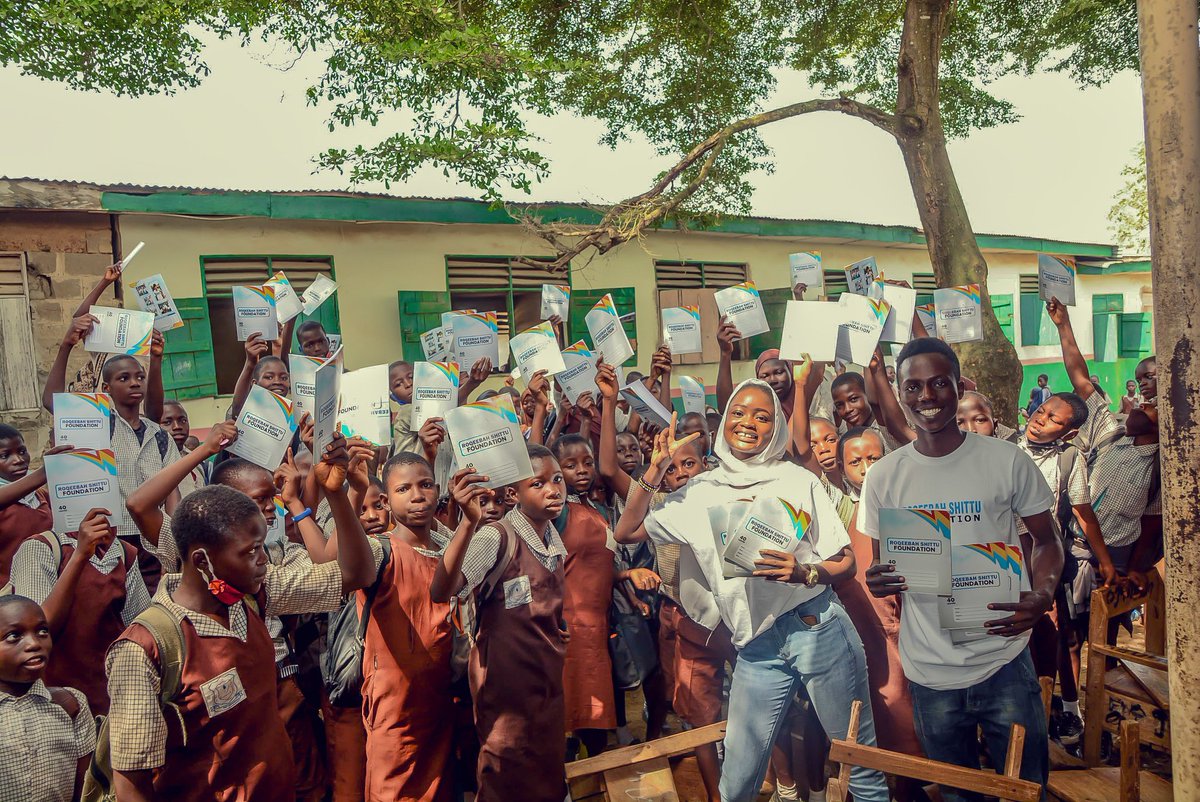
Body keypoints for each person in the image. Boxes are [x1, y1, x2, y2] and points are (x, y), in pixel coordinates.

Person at [615, 378, 889, 802]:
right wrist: (655, 468)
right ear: (724, 422)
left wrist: (804, 572)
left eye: (762, 416)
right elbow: (627, 529)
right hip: (756, 646)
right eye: (738, 413)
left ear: (775, 427)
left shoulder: (797, 481)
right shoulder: (697, 493)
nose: (748, 423)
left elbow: (846, 560)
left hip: (816, 629)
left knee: (859, 762)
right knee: (738, 778)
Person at [105, 441, 379, 802]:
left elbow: (356, 573)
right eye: (250, 552)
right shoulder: (145, 649)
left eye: (262, 546)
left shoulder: (254, 596)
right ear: (202, 561)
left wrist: (338, 495)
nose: (263, 559)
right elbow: (131, 784)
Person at [861, 338, 1062, 801]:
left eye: (938, 383)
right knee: (957, 795)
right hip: (930, 671)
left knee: (1025, 790)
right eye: (913, 386)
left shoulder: (1006, 460)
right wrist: (879, 579)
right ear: (899, 391)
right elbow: (883, 565)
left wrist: (1044, 591)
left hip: (1004, 658)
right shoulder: (884, 476)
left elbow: (1048, 542)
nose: (926, 396)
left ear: (958, 386)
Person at [431, 444, 570, 802]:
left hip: (546, 680)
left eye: (556, 479)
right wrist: (467, 521)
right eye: (538, 483)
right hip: (505, 682)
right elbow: (444, 590)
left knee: (546, 765)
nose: (554, 489)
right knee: (504, 767)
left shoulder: (552, 538)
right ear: (513, 494)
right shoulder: (497, 537)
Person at [362, 453, 475, 801]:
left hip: (440, 696)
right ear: (385, 501)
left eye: (425, 485)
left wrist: (470, 522)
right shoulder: (380, 552)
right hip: (395, 704)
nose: (417, 496)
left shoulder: (446, 549)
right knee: (394, 788)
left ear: (438, 490)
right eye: (403, 488)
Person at [43, 313, 179, 590]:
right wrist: (66, 346)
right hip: (111, 540)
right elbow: (52, 402)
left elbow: (172, 492)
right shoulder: (96, 427)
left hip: (155, 542)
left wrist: (174, 540)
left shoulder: (160, 436)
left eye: (139, 377)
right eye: (124, 378)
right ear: (106, 388)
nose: (134, 382)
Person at [8, 504, 149, 716]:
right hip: (57, 699)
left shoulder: (123, 553)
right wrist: (81, 554)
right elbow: (37, 630)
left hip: (111, 694)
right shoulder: (42, 549)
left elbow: (138, 630)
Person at [550, 433, 618, 758]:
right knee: (565, 722)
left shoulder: (599, 508)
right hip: (568, 628)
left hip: (598, 630)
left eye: (587, 463)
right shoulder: (557, 511)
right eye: (570, 464)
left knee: (596, 723)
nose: (581, 470)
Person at [0, 595, 96, 802]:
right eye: (14, 636)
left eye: (42, 631)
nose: (34, 643)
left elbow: (86, 789)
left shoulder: (70, 705)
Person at [0, 425, 56, 583]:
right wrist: (47, 470)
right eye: (5, 456)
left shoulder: (41, 495)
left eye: (22, 451)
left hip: (48, 583)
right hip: (8, 594)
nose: (18, 460)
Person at [161, 400, 212, 490]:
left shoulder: (198, 462)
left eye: (183, 420)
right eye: (167, 422)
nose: (177, 426)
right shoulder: (153, 462)